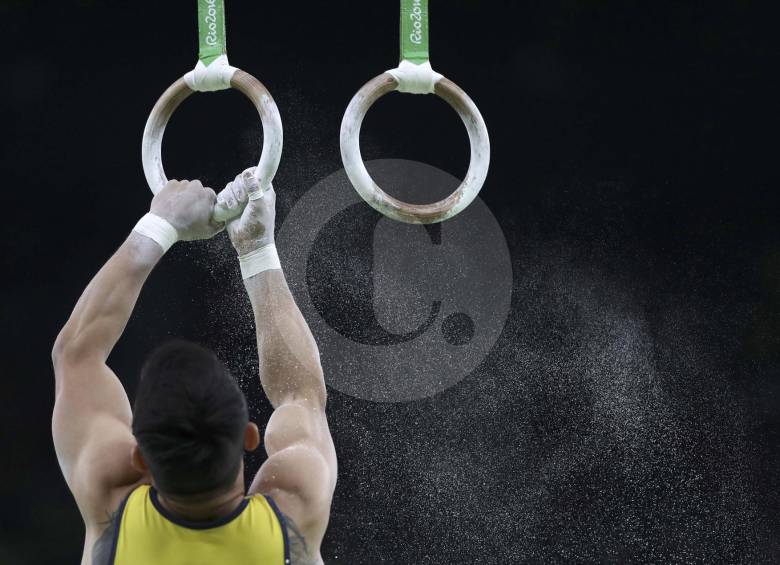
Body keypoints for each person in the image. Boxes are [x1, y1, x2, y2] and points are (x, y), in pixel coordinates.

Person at [51, 173, 337, 565]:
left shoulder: (110, 501)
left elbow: (76, 353)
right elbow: (300, 393)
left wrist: (161, 223)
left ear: (138, 458)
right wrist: (257, 248)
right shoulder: (295, 508)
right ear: (249, 437)